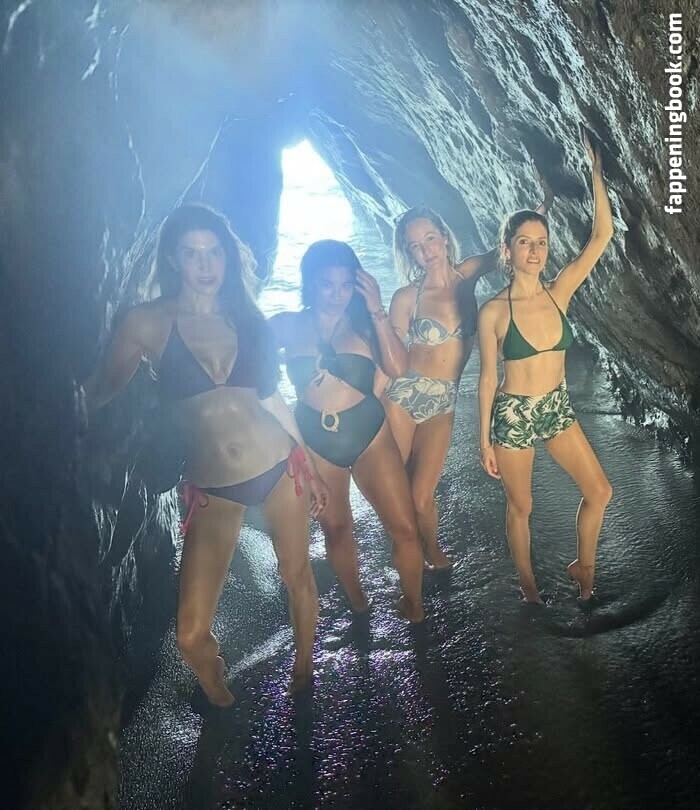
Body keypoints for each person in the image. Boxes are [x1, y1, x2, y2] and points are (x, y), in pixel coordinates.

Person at [85, 203, 328, 706]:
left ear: (227, 257)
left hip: (279, 468)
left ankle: (304, 669)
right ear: (173, 258)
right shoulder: (145, 323)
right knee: (191, 634)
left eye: (214, 252)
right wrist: (56, 410)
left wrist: (311, 463)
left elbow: (270, 397)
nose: (205, 264)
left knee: (296, 575)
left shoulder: (246, 317)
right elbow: (99, 391)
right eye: (192, 253)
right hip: (214, 487)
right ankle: (221, 696)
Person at [385, 170, 553, 570]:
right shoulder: (407, 297)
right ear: (409, 253)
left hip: (443, 404)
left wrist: (544, 204)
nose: (425, 250)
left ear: (444, 236)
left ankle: (431, 548)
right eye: (415, 246)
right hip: (402, 398)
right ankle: (406, 553)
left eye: (430, 238)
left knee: (421, 496)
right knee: (397, 492)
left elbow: (510, 246)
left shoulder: (469, 273)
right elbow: (388, 359)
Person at [477, 130, 614, 604]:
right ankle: (529, 585)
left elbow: (601, 237)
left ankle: (583, 566)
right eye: (524, 242)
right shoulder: (493, 312)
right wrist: (484, 441)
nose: (535, 251)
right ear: (508, 250)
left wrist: (595, 173)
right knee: (522, 506)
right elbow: (488, 379)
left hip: (556, 407)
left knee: (599, 491)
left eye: (541, 242)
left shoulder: (560, 292)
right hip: (514, 415)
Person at [269, 240, 425, 623]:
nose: (337, 295)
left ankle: (414, 606)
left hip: (370, 436)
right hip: (316, 442)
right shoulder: (286, 326)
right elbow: (247, 370)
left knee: (405, 527)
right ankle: (359, 604)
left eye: (345, 285)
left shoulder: (366, 325)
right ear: (310, 283)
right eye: (327, 284)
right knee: (337, 530)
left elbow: (398, 368)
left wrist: (376, 309)